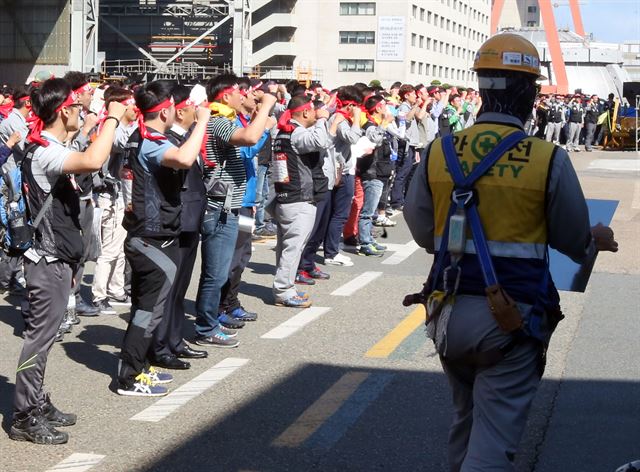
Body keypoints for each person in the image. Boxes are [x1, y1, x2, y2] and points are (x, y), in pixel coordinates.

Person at [404, 33, 619, 471]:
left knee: (464, 421)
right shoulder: (545, 158)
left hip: (446, 314)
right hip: (510, 319)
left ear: (481, 88)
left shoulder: (439, 151)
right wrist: (594, 237)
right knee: (493, 441)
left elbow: (424, 232)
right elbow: (573, 239)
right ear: (531, 92)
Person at [11, 78, 126, 444]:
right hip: (47, 261)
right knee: (38, 340)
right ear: (63, 111)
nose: (84, 112)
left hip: (56, 256)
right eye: (79, 108)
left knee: (43, 339)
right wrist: (112, 119)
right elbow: (93, 160)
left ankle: (36, 401)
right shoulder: (46, 151)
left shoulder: (48, 144)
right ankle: (24, 416)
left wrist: (94, 124)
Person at [117, 80, 211, 396]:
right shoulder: (150, 141)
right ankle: (129, 376)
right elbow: (184, 158)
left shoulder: (142, 137)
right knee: (149, 310)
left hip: (149, 231)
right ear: (166, 110)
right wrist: (203, 122)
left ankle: (139, 367)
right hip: (152, 235)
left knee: (146, 308)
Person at [194, 74, 276, 346]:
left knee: (230, 264)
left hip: (234, 207)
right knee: (216, 272)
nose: (246, 97)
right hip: (220, 209)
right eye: (241, 93)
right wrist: (267, 106)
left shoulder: (224, 119)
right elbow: (251, 139)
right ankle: (207, 327)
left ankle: (215, 318)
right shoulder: (218, 121)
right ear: (226, 95)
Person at [147, 83, 208, 370]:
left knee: (181, 286)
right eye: (194, 107)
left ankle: (174, 339)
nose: (198, 111)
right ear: (181, 110)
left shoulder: (184, 136)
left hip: (190, 219)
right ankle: (160, 346)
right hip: (176, 220)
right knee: (168, 289)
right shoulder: (169, 140)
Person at [272, 95, 332, 307]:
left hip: (286, 197)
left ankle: (285, 287)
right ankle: (284, 290)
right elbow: (320, 141)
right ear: (306, 112)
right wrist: (322, 120)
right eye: (314, 111)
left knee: (287, 246)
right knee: (293, 247)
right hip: (298, 198)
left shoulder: (282, 132)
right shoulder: (296, 133)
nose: (317, 114)